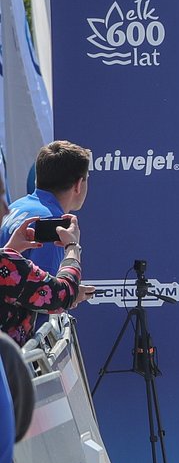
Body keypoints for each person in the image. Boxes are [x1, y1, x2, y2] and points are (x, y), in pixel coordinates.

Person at [2, 142, 90, 277]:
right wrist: (73, 246)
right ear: (78, 185)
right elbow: (46, 289)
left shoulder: (15, 207)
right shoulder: (52, 223)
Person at [0, 213, 86, 346]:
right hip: (8, 357)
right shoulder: (6, 264)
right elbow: (63, 294)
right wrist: (72, 246)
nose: (7, 210)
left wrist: (9, 251)